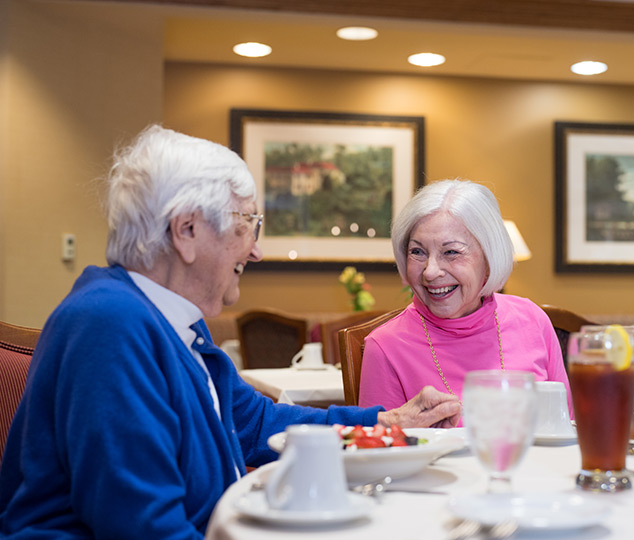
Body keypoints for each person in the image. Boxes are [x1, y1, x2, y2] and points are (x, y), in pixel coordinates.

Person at [0, 125, 460, 538]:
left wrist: (384, 424)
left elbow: (256, 423)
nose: (255, 250)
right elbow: (143, 527)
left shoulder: (169, 320)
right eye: (247, 224)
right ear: (187, 231)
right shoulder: (110, 326)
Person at [358, 179, 572, 421]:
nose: (430, 271)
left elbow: (567, 428)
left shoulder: (532, 320)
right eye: (417, 252)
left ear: (489, 257)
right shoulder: (386, 346)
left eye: (451, 252)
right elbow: (380, 450)